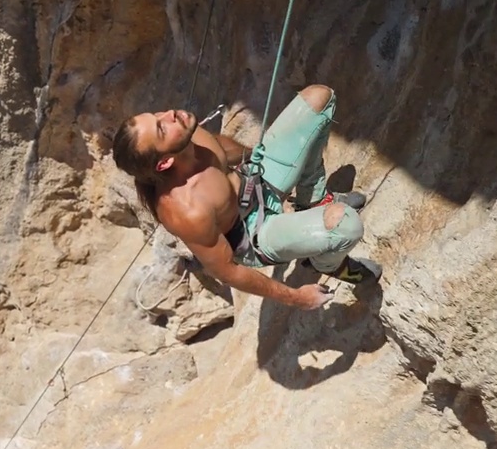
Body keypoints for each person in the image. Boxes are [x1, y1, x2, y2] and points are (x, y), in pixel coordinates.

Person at [110, 84, 382, 310]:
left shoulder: (191, 135)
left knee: (319, 98)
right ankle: (330, 264)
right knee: (345, 224)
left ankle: (315, 198)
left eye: (156, 115)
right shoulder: (186, 211)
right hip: (257, 234)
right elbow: (228, 271)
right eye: (161, 128)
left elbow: (224, 151)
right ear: (164, 164)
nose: (169, 114)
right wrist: (297, 297)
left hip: (257, 184)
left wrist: (270, 154)